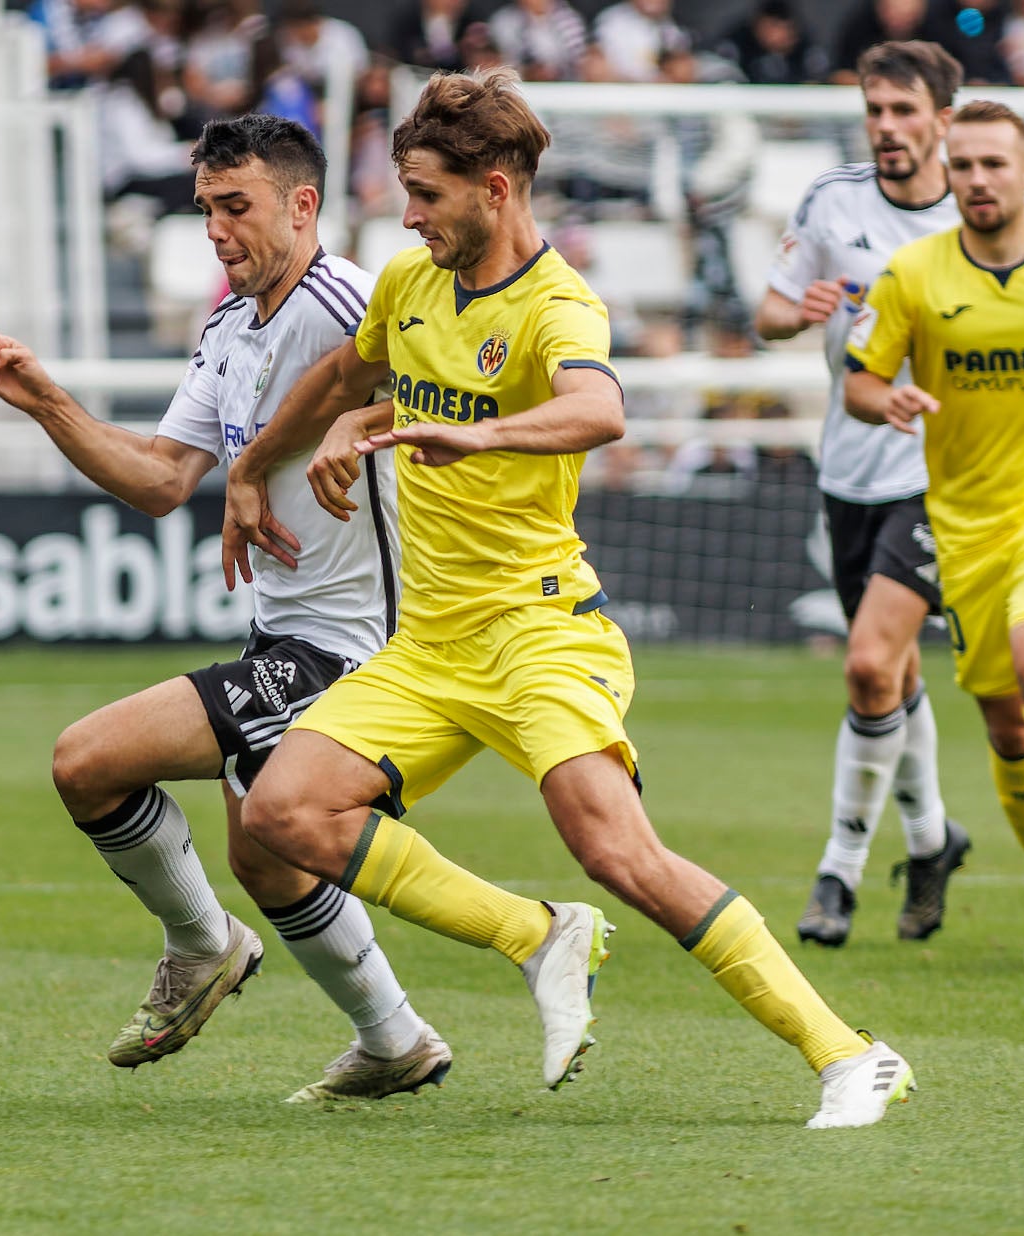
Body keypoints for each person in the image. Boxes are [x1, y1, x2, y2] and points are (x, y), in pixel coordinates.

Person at [223, 66, 913, 1128]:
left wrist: (484, 431)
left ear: (495, 187)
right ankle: (537, 934)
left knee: (619, 853)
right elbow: (341, 382)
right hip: (431, 648)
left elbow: (598, 409)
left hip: (543, 634)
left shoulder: (557, 304)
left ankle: (850, 1055)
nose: (409, 215)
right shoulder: (411, 283)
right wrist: (260, 465)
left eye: (428, 193)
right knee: (281, 813)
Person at [0, 113, 455, 1104]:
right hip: (281, 635)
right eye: (206, 211)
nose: (218, 232)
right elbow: (159, 480)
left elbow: (457, 395)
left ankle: (200, 944)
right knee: (266, 862)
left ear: (302, 205)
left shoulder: (351, 300)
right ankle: (395, 1041)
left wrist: (349, 427)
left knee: (86, 761)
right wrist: (48, 402)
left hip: (355, 649)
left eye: (238, 208)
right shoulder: (229, 327)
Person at [755, 41, 972, 948]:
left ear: (941, 120)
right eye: (873, 110)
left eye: (902, 111)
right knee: (890, 672)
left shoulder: (989, 207)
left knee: (867, 662)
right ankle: (931, 839)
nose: (885, 127)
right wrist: (794, 309)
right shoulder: (831, 201)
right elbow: (766, 312)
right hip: (849, 467)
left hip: (945, 474)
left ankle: (836, 873)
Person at [843, 98, 1024, 963]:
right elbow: (858, 378)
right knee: (1005, 725)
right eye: (963, 166)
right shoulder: (913, 274)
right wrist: (882, 397)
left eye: (995, 164)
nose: (978, 180)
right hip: (960, 527)